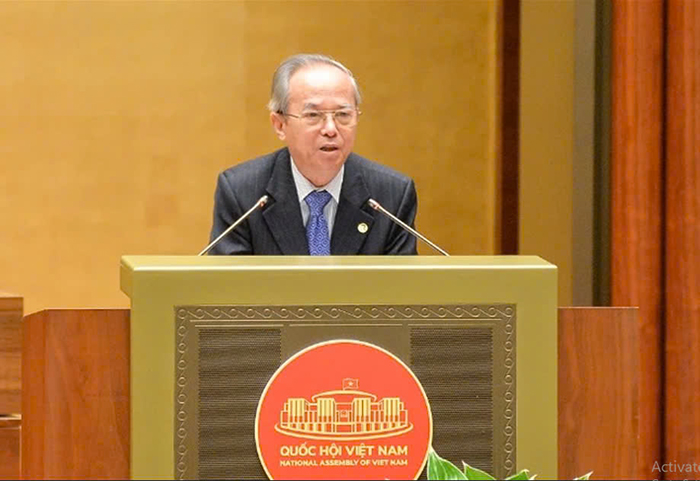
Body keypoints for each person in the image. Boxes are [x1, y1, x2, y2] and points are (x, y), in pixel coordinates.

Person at [207, 53, 418, 255]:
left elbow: (403, 281)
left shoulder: (391, 196)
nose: (330, 129)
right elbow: (228, 280)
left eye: (343, 114)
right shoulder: (242, 193)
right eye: (313, 115)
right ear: (280, 125)